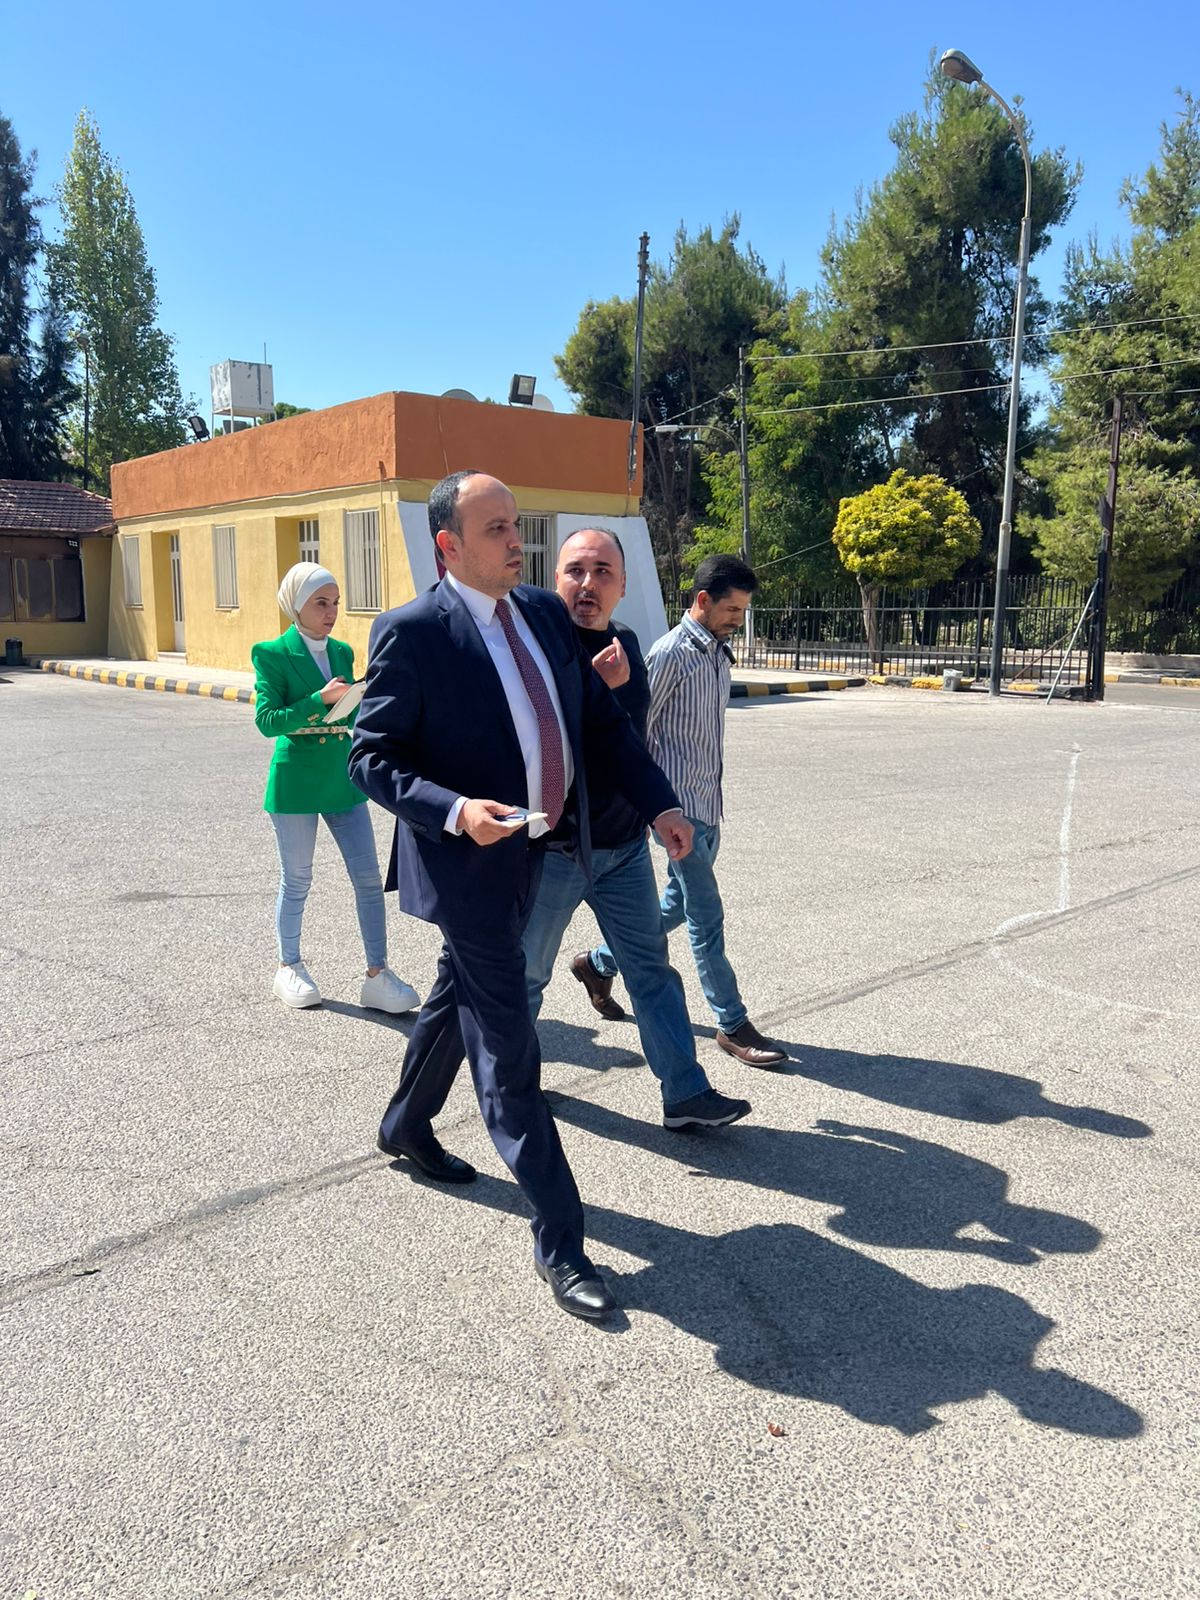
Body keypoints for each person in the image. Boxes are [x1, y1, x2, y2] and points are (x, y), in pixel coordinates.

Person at [349, 472, 691, 1321]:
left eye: (515, 524)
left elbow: (599, 724)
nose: (516, 540)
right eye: (497, 527)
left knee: (458, 992)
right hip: (466, 865)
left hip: (538, 851)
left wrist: (658, 803)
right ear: (449, 546)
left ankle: (405, 1124)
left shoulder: (539, 612)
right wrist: (455, 810)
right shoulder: (412, 633)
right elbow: (372, 757)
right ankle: (562, 1241)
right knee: (508, 1046)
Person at [522, 527, 751, 1130]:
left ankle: (686, 1094)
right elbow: (541, 744)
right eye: (575, 570)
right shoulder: (535, 647)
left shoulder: (626, 643)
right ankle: (514, 1085)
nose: (587, 583)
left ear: (622, 586)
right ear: (556, 579)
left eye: (602, 572)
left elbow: (631, 743)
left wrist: (661, 809)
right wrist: (596, 689)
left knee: (651, 971)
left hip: (622, 848)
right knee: (526, 975)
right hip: (555, 848)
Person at [577, 553, 788, 1067]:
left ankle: (597, 963)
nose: (737, 619)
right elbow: (635, 728)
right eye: (732, 609)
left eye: (743, 611)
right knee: (706, 916)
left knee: (674, 905)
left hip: (708, 806)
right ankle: (731, 1023)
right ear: (703, 600)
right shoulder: (671, 653)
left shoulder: (717, 653)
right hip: (677, 811)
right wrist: (652, 803)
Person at [252, 563, 421, 1015]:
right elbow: (267, 721)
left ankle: (378, 974)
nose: (331, 612)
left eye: (335, 603)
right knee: (297, 878)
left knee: (368, 878)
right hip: (294, 780)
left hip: (342, 778)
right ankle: (289, 965)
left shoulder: (342, 651)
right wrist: (318, 700)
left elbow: (352, 716)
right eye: (320, 603)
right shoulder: (270, 653)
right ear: (296, 605)